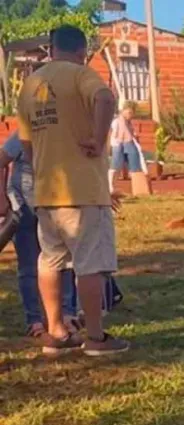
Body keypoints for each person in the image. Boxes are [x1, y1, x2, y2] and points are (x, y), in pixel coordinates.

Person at [16, 25, 128, 356]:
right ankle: (95, 337)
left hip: (46, 191)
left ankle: (55, 332)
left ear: (51, 49)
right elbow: (105, 97)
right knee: (90, 264)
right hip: (83, 191)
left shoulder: (30, 85)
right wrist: (98, 137)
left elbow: (26, 144)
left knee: (50, 261)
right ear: (82, 52)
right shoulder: (80, 74)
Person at [0, 131, 78, 338]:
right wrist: (2, 198)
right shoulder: (24, 133)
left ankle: (66, 315)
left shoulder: (65, 130)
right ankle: (34, 320)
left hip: (56, 207)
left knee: (64, 263)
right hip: (24, 209)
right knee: (29, 266)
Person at [108, 101, 142, 192]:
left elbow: (131, 132)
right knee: (116, 165)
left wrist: (134, 135)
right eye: (129, 112)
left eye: (132, 113)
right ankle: (110, 186)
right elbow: (113, 134)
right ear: (123, 111)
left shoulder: (128, 123)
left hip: (127, 143)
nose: (130, 115)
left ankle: (138, 185)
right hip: (117, 144)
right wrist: (113, 144)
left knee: (133, 158)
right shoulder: (116, 121)